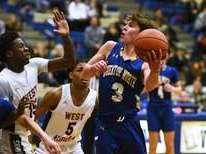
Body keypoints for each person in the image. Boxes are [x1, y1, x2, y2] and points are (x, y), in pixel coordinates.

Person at [0, 9, 75, 154]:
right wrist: (17, 114)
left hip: (27, 134)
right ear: (9, 54)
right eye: (21, 46)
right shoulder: (2, 82)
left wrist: (66, 37)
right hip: (11, 138)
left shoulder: (33, 65)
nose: (26, 49)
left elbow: (68, 62)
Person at [81, 12, 164, 154]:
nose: (125, 27)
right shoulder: (109, 47)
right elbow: (82, 73)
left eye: (131, 26)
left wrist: (155, 70)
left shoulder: (144, 62)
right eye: (125, 24)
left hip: (129, 123)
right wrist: (93, 68)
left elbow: (150, 86)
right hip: (105, 124)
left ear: (142, 35)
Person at [35, 61, 98, 154]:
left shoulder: (95, 98)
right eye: (80, 70)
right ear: (71, 75)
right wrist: (32, 135)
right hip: (48, 146)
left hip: (73, 148)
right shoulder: (56, 94)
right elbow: (33, 117)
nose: (85, 74)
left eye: (88, 71)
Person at [147, 56, 182, 154]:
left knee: (170, 144)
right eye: (159, 59)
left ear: (166, 58)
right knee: (153, 144)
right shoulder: (149, 70)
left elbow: (179, 89)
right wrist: (153, 83)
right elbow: (144, 89)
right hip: (153, 109)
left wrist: (172, 88)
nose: (161, 61)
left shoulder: (172, 71)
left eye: (163, 59)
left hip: (167, 108)